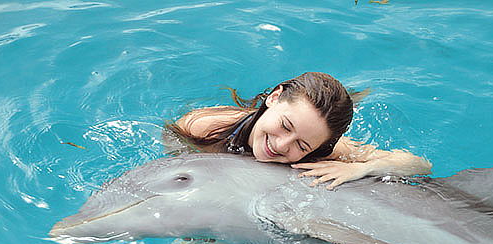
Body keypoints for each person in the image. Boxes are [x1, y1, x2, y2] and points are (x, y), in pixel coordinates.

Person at [165, 72, 432, 190]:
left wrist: (357, 169)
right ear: (274, 97)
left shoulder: (332, 151)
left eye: (302, 146)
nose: (281, 146)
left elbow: (419, 165)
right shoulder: (204, 127)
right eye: (285, 126)